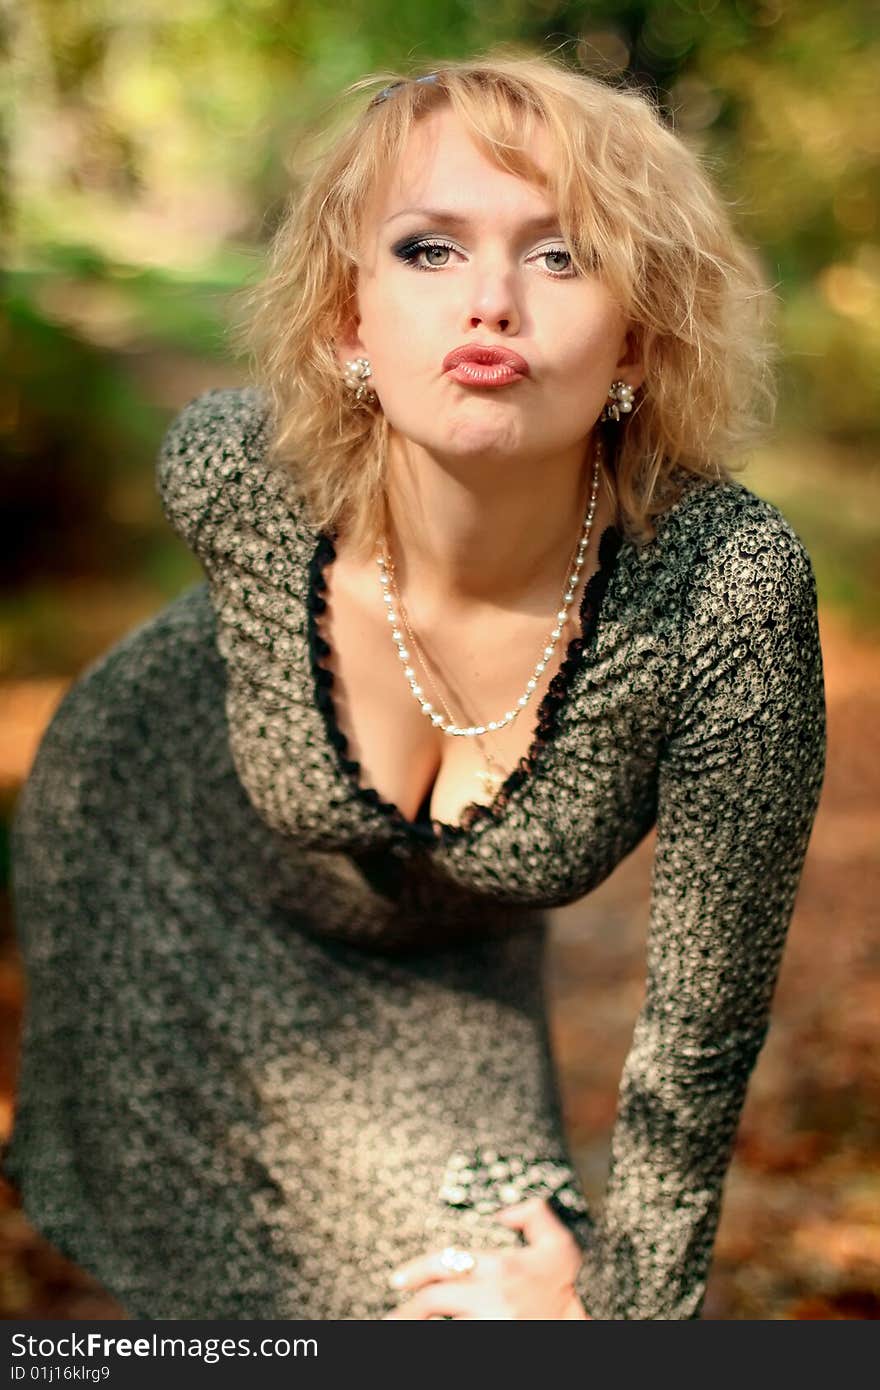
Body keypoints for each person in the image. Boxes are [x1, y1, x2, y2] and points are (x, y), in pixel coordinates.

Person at [2, 51, 827, 1321]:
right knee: (259, 1304)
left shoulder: (723, 587)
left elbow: (700, 1030)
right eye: (428, 250)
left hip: (440, 961)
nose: (490, 301)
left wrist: (622, 1312)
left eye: (561, 256)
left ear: (640, 341)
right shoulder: (238, 477)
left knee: (497, 1305)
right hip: (156, 863)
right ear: (347, 325)